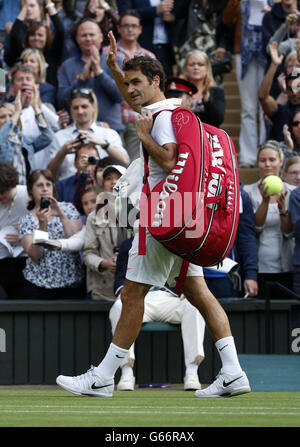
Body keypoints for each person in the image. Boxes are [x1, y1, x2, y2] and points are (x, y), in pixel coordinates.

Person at [56, 34, 251, 399]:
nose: (130, 90)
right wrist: (115, 70)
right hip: (183, 215)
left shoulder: (158, 119)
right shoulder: (171, 110)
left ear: (156, 82)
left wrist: (143, 137)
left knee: (132, 295)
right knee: (199, 292)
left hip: (162, 216)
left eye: (136, 83)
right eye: (126, 84)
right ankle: (233, 371)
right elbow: (136, 99)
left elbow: (169, 159)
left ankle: (102, 377)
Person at [110, 236, 206, 391]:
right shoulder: (128, 244)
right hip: (140, 299)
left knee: (194, 306)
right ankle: (126, 372)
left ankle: (192, 371)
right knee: (118, 307)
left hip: (170, 297)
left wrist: (187, 290)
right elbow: (120, 279)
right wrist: (126, 294)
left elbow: (185, 274)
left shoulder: (175, 240)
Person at [18, 168, 85, 299]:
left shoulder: (68, 208)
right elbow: (35, 255)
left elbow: (76, 241)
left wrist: (61, 214)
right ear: (31, 190)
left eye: (48, 184)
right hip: (39, 286)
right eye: (39, 185)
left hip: (72, 284)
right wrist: (42, 225)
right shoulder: (26, 220)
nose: (45, 189)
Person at [222, 0, 271, 168]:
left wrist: (271, 12)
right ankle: (249, 156)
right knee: (248, 107)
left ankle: (267, 151)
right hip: (243, 54)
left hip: (268, 53)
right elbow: (226, 20)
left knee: (265, 105)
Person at [244, 141, 295, 299]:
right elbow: (254, 228)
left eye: (272, 160)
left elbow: (289, 232)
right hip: (259, 266)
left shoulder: (293, 193)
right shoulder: (247, 192)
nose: (267, 164)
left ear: (281, 162)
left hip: (287, 265)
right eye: (263, 160)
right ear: (257, 163)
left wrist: (283, 211)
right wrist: (265, 202)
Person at [103, 9, 156, 161]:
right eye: (126, 25)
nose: (130, 29)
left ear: (140, 29)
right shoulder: (107, 53)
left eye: (134, 26)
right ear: (119, 28)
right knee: (113, 167)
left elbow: (153, 91)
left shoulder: (149, 57)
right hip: (112, 119)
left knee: (135, 165)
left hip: (137, 119)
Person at [57, 17, 124, 132]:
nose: (88, 39)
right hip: (78, 130)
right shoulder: (67, 66)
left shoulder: (115, 61)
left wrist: (99, 72)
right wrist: (82, 79)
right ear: (77, 39)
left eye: (92, 35)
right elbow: (62, 100)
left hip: (111, 129)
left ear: (101, 37)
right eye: (83, 35)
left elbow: (120, 96)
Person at [46, 88, 129, 180]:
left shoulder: (108, 134)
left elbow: (125, 162)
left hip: (102, 188)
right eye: (75, 107)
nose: (80, 111)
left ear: (93, 106)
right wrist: (62, 153)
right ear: (70, 109)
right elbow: (49, 173)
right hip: (69, 189)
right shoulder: (60, 136)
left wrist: (105, 145)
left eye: (84, 106)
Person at [82, 164, 129, 301]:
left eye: (119, 178)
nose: (114, 182)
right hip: (104, 290)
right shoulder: (93, 217)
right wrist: (104, 263)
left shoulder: (140, 213)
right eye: (108, 178)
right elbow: (88, 253)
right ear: (102, 185)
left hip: (135, 288)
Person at [204, 187, 259, 299]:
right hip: (192, 274)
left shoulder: (239, 195)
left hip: (226, 274)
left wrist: (251, 274)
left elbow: (246, 238)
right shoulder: (189, 189)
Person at [4, 0, 65, 87]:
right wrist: (24, 8)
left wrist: (48, 3)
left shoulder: (52, 55)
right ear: (27, 38)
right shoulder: (22, 54)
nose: (36, 38)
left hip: (47, 97)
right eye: (32, 35)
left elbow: (60, 30)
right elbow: (14, 35)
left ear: (47, 38)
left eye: (40, 35)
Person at [0, 92, 54, 184]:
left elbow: (48, 137)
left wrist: (36, 108)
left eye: (11, 115)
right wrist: (17, 112)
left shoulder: (25, 140)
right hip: (5, 191)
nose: (8, 119)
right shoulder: (2, 139)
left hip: (27, 190)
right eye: (2, 117)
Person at [116, 0, 176, 77]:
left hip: (165, 48)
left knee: (166, 82)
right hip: (141, 46)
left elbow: (179, 13)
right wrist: (155, 10)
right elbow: (124, 13)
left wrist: (172, 18)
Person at [259, 42, 300, 142]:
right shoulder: (281, 112)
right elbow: (263, 97)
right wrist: (274, 64)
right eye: (290, 89)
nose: (294, 93)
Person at [0, 163, 29, 299]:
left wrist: (25, 236)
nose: (1, 198)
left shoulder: (28, 195)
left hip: (26, 259)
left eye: (4, 193)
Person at [180, 49, 225, 127]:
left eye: (200, 64)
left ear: (207, 69)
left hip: (207, 136)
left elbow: (218, 120)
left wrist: (207, 97)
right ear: (186, 68)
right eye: (192, 64)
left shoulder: (217, 92)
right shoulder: (178, 92)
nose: (196, 67)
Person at [56, 142, 99, 212]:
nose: (87, 165)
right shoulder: (61, 186)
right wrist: (84, 174)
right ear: (75, 163)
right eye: (83, 160)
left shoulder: (104, 183)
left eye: (92, 161)